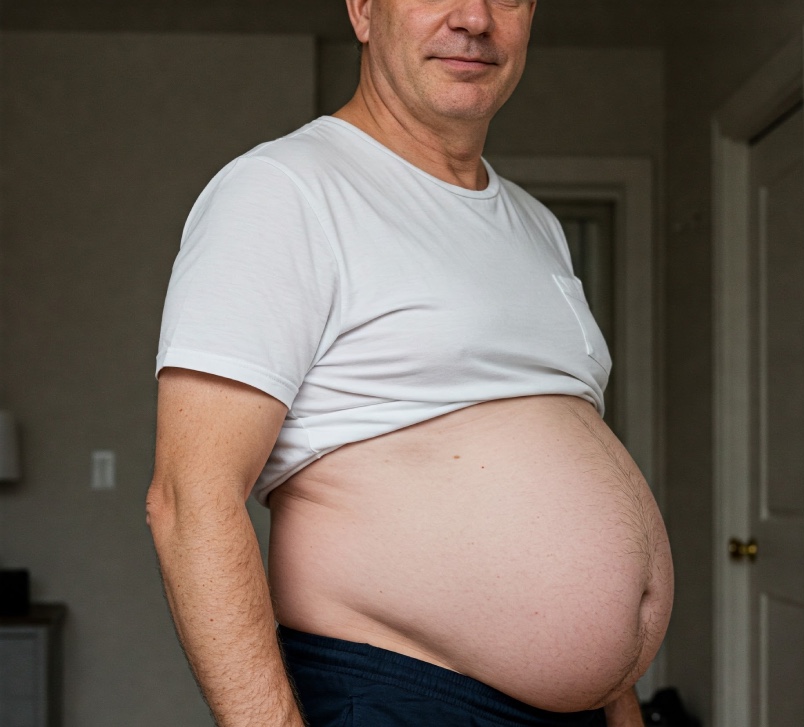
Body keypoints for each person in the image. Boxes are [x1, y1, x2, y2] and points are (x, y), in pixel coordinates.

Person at [146, 0, 674, 725]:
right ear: (364, 10)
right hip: (406, 695)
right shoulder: (283, 189)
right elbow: (190, 500)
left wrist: (617, 695)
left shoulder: (536, 224)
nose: (475, 18)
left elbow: (571, 470)